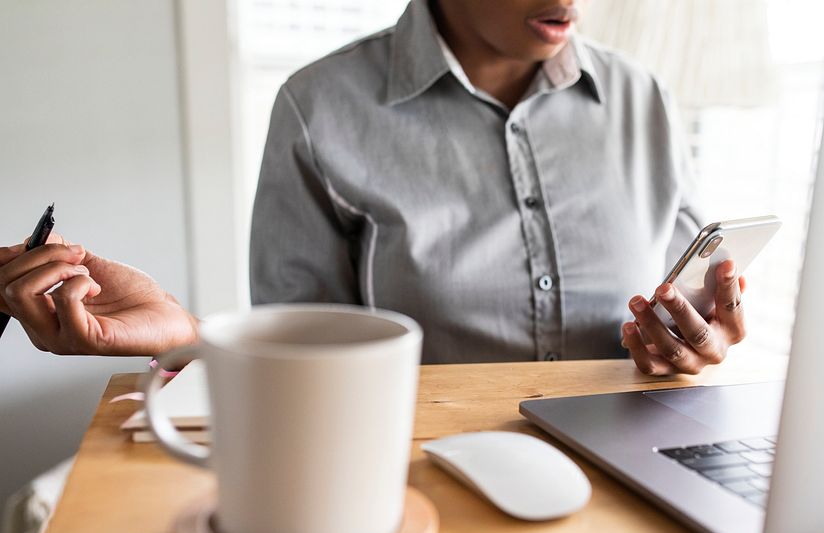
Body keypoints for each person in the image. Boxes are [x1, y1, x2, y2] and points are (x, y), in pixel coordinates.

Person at [0, 0, 746, 376]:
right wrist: (191, 334)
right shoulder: (320, 110)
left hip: (633, 477)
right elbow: (301, 366)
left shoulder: (643, 98)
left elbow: (685, 307)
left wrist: (696, 338)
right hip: (424, 487)